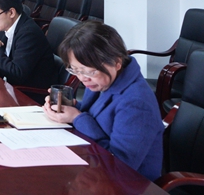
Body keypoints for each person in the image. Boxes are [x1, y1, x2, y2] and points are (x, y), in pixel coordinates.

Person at [43, 21, 163, 181]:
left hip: (126, 184)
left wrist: (77, 118)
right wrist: (71, 107)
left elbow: (120, 166)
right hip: (93, 167)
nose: (82, 78)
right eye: (75, 70)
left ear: (116, 62)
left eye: (89, 71)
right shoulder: (102, 80)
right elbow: (99, 115)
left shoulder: (136, 103)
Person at [0, 0, 59, 89]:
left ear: (11, 13)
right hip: (9, 85)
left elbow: (17, 74)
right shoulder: (6, 25)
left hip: (29, 92)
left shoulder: (29, 33)